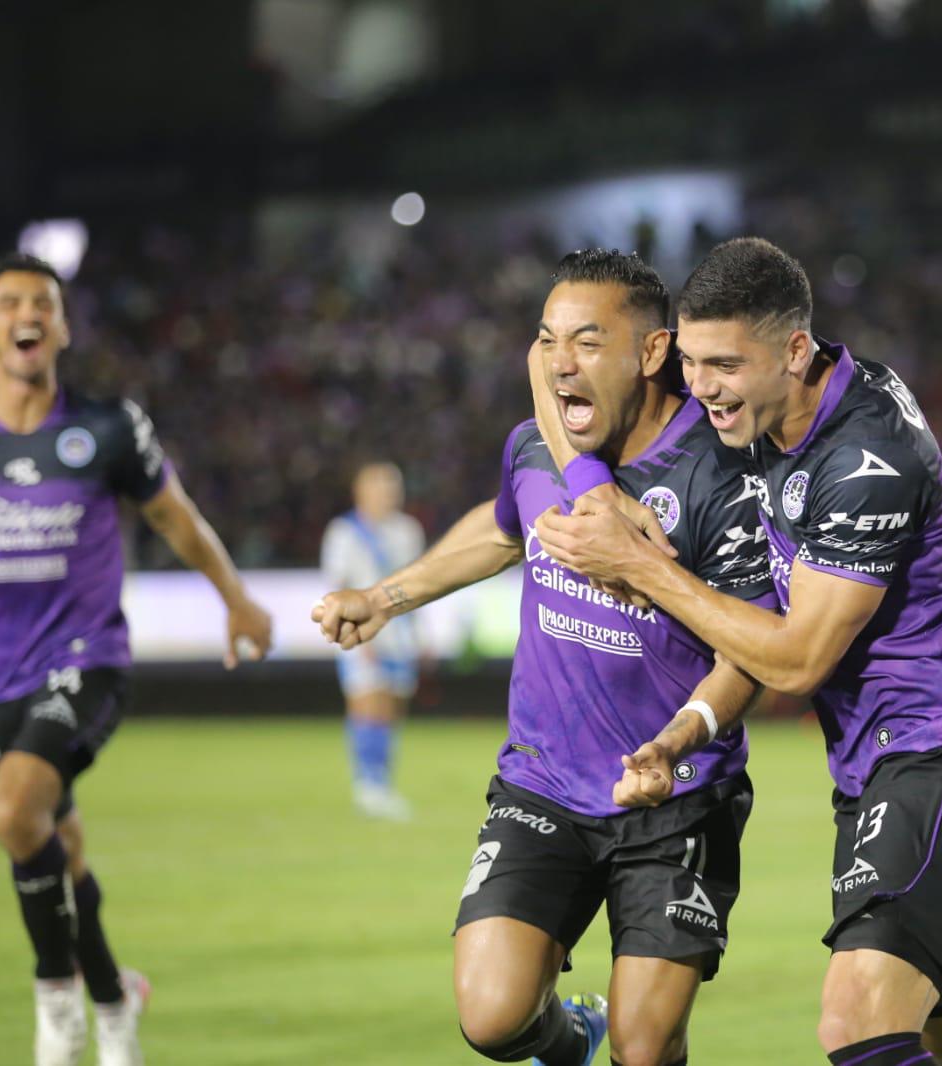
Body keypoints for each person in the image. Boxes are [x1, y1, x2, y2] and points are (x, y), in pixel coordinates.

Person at [535, 237, 942, 1066]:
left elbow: (796, 663)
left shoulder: (868, 460)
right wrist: (595, 489)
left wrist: (637, 563)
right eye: (690, 363)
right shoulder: (752, 384)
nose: (701, 388)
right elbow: (546, 367)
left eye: (723, 366)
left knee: (856, 1021)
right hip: (873, 769)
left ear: (794, 351)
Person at [312, 250, 774, 1066]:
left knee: (646, 1046)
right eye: (549, 340)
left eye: (588, 342)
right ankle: (572, 1039)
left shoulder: (720, 475)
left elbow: (750, 648)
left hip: (675, 795)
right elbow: (501, 532)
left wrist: (676, 743)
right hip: (545, 783)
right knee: (492, 1018)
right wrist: (384, 599)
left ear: (653, 351)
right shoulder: (534, 447)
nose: (562, 362)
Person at [0, 253, 273, 1066]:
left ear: (62, 328)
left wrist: (236, 598)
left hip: (88, 658)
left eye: (42, 303)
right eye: (10, 302)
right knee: (55, 848)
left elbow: (175, 517)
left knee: (13, 810)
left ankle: (58, 1003)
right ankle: (115, 999)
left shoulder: (108, 426)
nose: (27, 314)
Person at [320, 461, 425, 819]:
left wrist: (421, 635)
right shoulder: (344, 532)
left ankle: (382, 781)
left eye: (392, 486)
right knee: (368, 701)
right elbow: (337, 585)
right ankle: (367, 784)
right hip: (361, 630)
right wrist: (355, 637)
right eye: (379, 486)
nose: (387, 493)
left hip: (400, 632)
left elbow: (420, 585)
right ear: (360, 491)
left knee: (392, 707)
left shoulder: (407, 530)